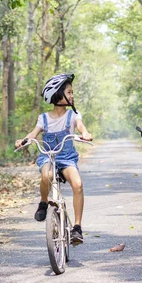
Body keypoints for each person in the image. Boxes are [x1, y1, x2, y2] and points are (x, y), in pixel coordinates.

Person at [15, 73, 92, 244]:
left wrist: (85, 133)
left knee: (78, 184)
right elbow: (33, 133)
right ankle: (43, 202)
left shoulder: (73, 116)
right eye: (69, 92)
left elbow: (80, 127)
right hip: (48, 156)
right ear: (58, 94)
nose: (72, 96)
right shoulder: (43, 118)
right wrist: (23, 140)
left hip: (67, 158)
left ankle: (77, 228)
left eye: (72, 93)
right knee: (47, 176)